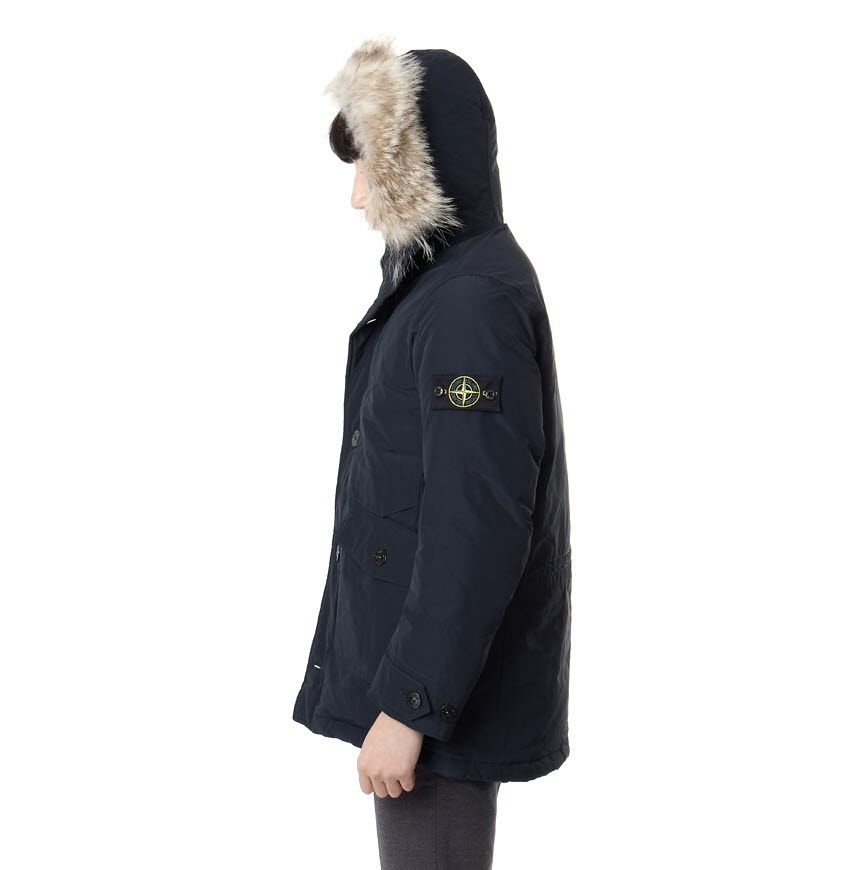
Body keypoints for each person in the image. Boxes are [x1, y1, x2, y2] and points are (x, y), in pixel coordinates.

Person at [292, 35, 573, 869]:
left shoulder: (467, 305)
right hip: (433, 686)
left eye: (369, 168)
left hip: (441, 705)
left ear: (420, 167)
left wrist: (411, 705)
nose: (355, 196)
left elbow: (475, 525)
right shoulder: (440, 289)